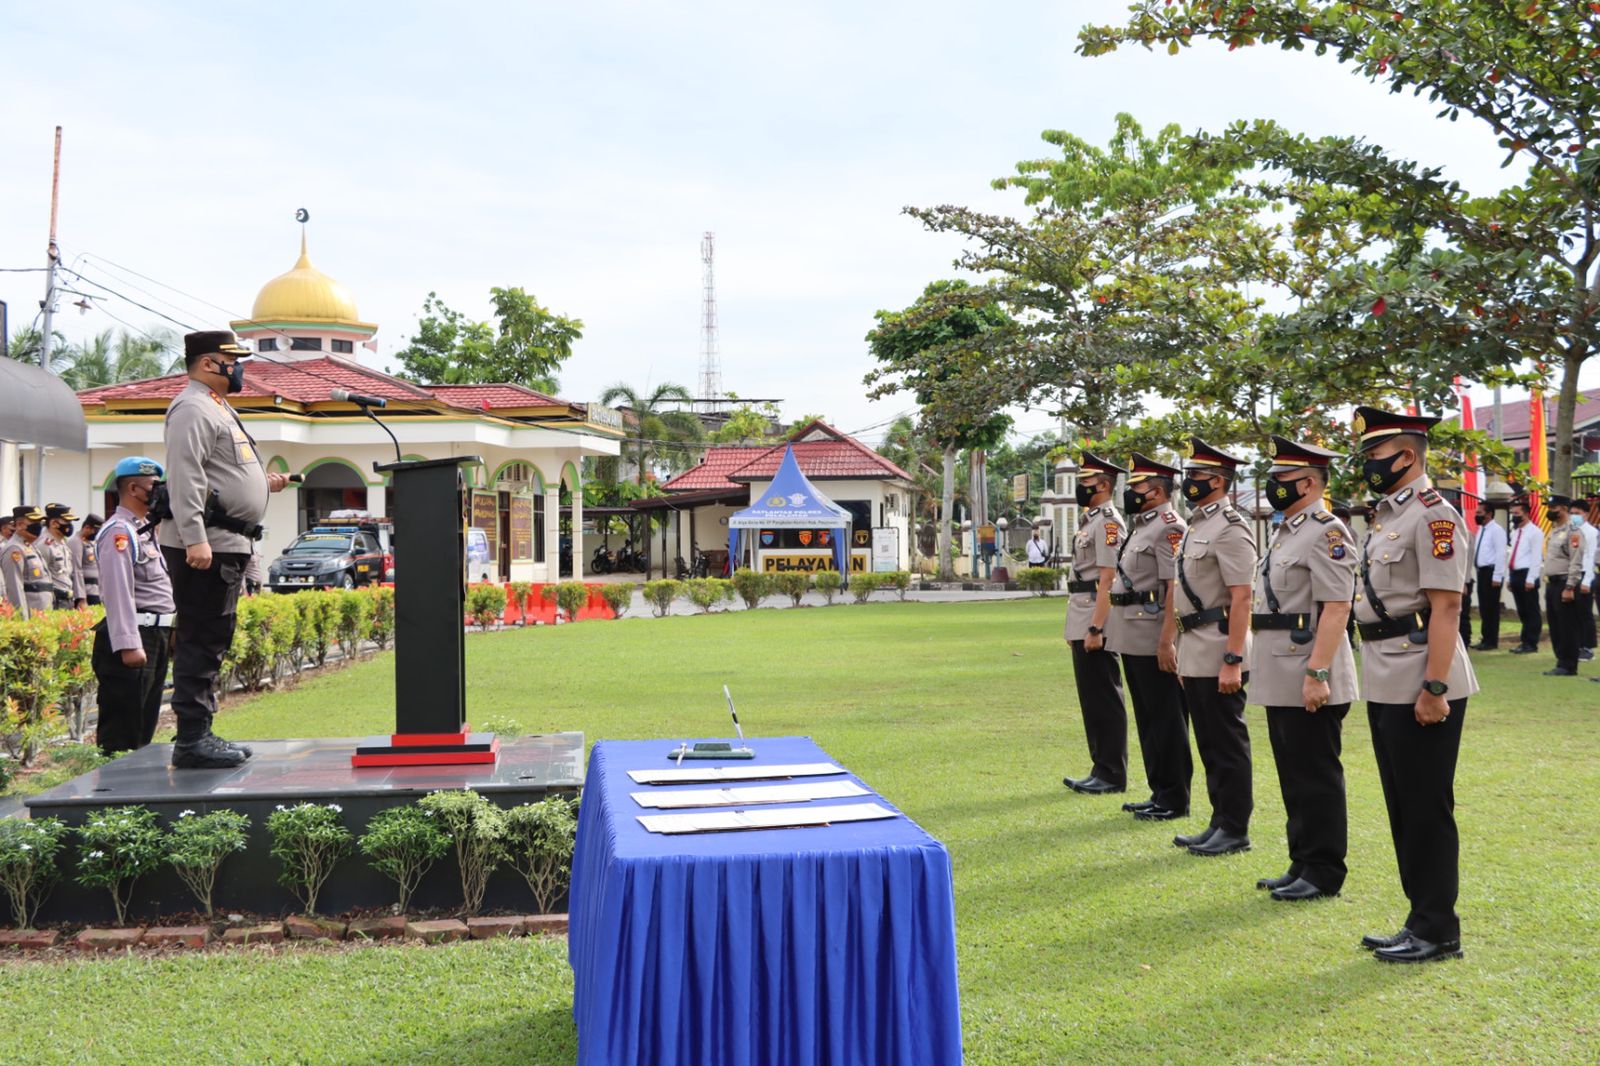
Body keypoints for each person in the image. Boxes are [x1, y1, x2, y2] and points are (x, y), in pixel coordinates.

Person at [1350, 406, 1477, 963]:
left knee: (1426, 806)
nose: (1368, 465)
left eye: (1375, 455)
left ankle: (1438, 930)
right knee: (1403, 804)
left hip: (1422, 675)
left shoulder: (1433, 515)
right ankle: (1419, 916)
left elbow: (1446, 607)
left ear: (1407, 456)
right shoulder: (1387, 516)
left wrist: (1434, 687)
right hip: (1385, 672)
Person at [159, 330, 291, 769]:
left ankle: (201, 733)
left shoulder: (215, 406)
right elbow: (184, 474)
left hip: (226, 541)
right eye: (233, 361)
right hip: (207, 544)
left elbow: (219, 472)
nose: (240, 369)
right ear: (210, 363)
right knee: (201, 638)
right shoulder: (192, 407)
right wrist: (194, 536)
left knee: (213, 637)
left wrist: (260, 484)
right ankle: (192, 741)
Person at [1249, 437, 1358, 902]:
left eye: (1282, 480)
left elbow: (1337, 607)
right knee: (1293, 773)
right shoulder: (1288, 529)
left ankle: (1324, 869)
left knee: (1315, 774)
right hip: (1279, 667)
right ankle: (1302, 860)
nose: (1274, 487)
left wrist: (1318, 673)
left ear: (1310, 484)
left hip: (1309, 670)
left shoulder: (1327, 530)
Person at [1167, 437, 1258, 857]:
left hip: (1221, 645)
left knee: (1226, 743)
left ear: (1219, 481)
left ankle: (1235, 827)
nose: (1190, 483)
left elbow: (1242, 597)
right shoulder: (1199, 525)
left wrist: (1233, 659)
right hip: (1195, 646)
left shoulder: (1231, 527)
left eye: (1198, 477)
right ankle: (1219, 820)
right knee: (1208, 742)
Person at [1108, 452, 1193, 823]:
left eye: (1137, 487)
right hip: (1132, 633)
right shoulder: (1143, 525)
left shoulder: (1169, 527)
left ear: (1157, 492)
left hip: (1154, 632)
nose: (1130, 492)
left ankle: (1175, 797)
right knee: (1147, 717)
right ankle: (1159, 791)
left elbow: (1173, 586)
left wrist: (1167, 640)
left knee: (1166, 719)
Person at [92, 458, 175, 755]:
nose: (160, 493)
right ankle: (110, 798)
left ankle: (139, 799)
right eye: (154, 486)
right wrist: (128, 643)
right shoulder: (119, 533)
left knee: (144, 727)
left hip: (156, 635)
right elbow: (118, 592)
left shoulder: (145, 529)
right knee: (123, 735)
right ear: (133, 488)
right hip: (137, 636)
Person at [1062, 452, 1129, 796]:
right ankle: (1100, 767)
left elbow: (1108, 577)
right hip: (1081, 612)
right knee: (1092, 698)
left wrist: (1096, 627)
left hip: (1095, 616)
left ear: (1103, 485)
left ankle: (1112, 772)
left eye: (1086, 482)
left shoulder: (1108, 522)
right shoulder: (1091, 521)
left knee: (1104, 696)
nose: (1080, 487)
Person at [1543, 495, 1587, 677]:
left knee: (1567, 625)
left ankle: (1569, 665)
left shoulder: (1573, 531)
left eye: (1553, 508)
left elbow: (1576, 560)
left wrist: (1570, 587)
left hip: (1564, 583)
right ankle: (1560, 661)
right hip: (1552, 583)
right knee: (1555, 625)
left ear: (1562, 508)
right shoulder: (1554, 530)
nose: (1550, 511)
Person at [1506, 498, 1545, 654]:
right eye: (1512, 513)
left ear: (1526, 514)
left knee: (1531, 610)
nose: (1514, 516)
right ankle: (1524, 641)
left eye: (1517, 513)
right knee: (1522, 610)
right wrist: (1509, 577)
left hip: (1527, 573)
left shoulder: (1535, 532)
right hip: (1515, 573)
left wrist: (1531, 579)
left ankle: (1531, 642)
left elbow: (1536, 557)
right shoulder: (1515, 532)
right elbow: (1511, 555)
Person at [1, 506, 53, 617]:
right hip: (31, 618)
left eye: (40, 522)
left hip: (42, 615)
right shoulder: (14, 549)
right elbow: (14, 589)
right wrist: (22, 621)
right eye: (34, 521)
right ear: (19, 525)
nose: (38, 525)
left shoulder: (29, 546)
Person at [1469, 504, 1506, 650]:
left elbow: (1500, 554)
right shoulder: (1481, 530)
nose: (1477, 515)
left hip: (1491, 573)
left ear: (1489, 514)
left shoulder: (1496, 531)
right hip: (1482, 572)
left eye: (1480, 512)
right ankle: (1485, 638)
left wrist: (1497, 576)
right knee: (1484, 607)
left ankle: (1491, 640)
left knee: (1491, 607)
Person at [39, 503, 87, 610]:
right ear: (54, 523)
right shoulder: (44, 545)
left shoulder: (62, 543)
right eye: (67, 522)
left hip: (67, 600)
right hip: (54, 601)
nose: (70, 526)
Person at [72, 514, 105, 606]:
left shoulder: (91, 543)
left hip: (96, 591)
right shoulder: (76, 542)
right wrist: (81, 597)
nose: (96, 534)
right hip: (87, 592)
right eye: (95, 531)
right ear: (87, 527)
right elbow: (76, 570)